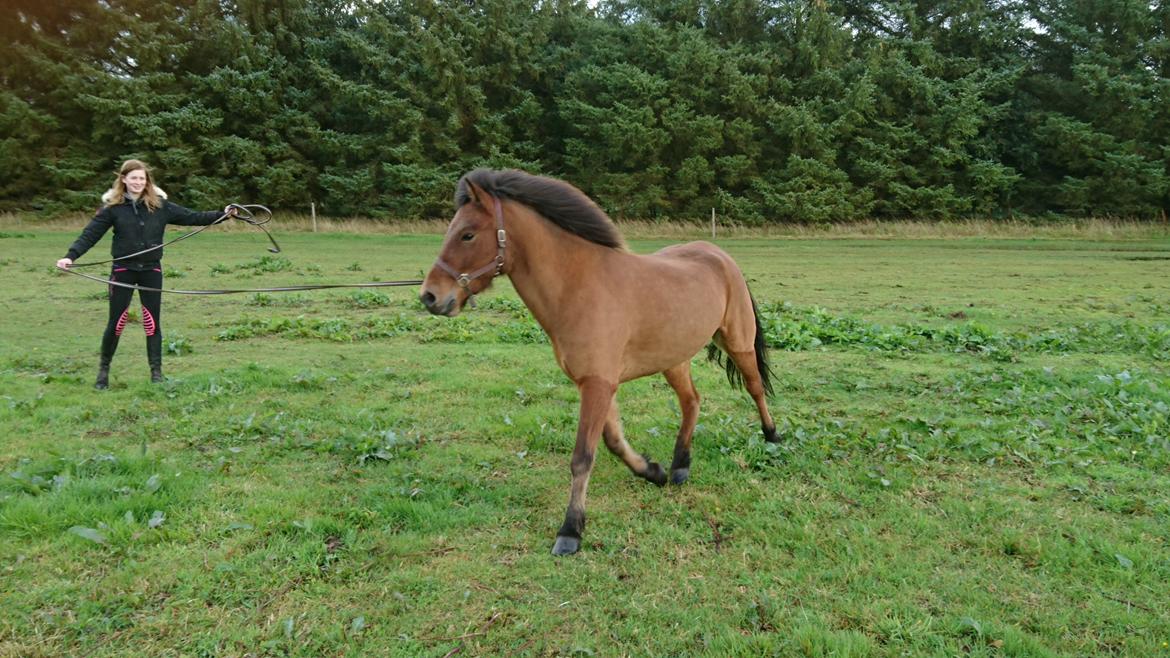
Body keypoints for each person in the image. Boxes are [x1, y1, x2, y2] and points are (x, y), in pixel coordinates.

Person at [56, 159, 237, 389]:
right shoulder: (112, 209)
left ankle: (156, 373)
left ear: (147, 181)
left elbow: (193, 216)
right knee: (117, 322)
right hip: (123, 271)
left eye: (142, 178)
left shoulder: (160, 206)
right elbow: (89, 235)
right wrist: (70, 256)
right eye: (133, 178)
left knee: (152, 323)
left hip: (151, 271)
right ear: (123, 180)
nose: (138, 182)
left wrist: (223, 214)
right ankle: (103, 371)